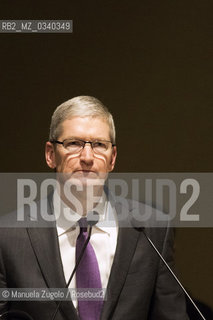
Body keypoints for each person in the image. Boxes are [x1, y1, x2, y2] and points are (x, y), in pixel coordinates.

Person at [0, 96, 189, 319]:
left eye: (99, 145)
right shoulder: (8, 236)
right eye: (73, 144)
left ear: (112, 158)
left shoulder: (151, 228)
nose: (87, 157)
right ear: (51, 154)